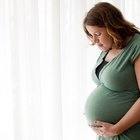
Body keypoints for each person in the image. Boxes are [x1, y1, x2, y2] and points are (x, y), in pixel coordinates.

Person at [83, 2, 140, 140]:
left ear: (112, 27)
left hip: (127, 133)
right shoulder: (107, 48)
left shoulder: (136, 46)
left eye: (98, 34)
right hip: (106, 134)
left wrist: (115, 129)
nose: (95, 41)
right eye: (91, 35)